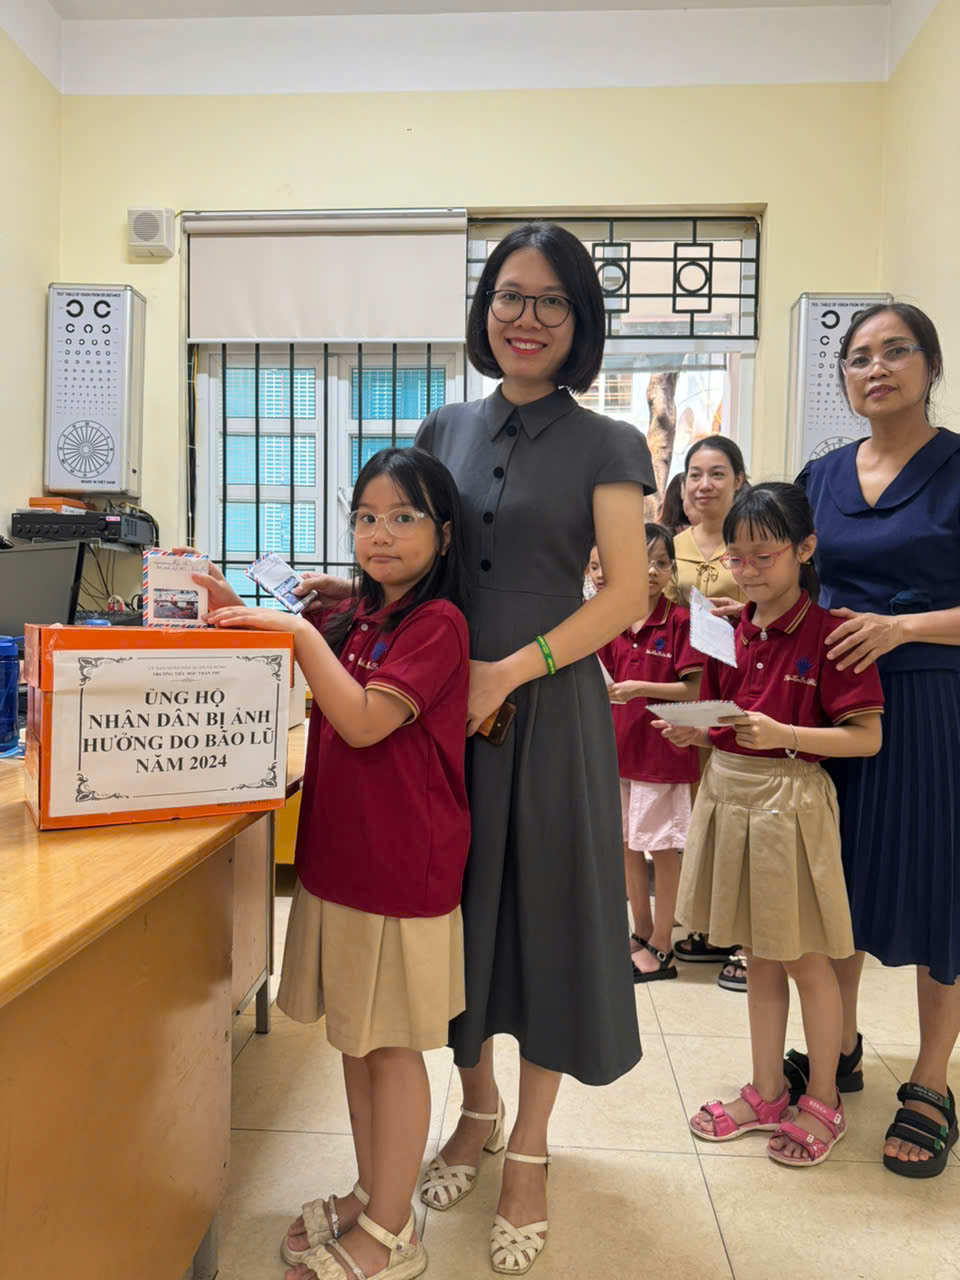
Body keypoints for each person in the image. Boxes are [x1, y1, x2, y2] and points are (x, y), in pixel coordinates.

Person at [300, 221, 653, 1274]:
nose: (526, 318)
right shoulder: (445, 424)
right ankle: (476, 1107)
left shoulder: (609, 443)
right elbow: (426, 553)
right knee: (456, 915)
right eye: (509, 295)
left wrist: (512, 668)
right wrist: (355, 590)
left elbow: (627, 596)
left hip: (546, 712)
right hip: (436, 712)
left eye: (550, 301)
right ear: (483, 307)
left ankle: (529, 1147)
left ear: (579, 320)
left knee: (545, 918)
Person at [205, 447, 471, 1280]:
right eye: (366, 517)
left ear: (444, 534)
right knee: (356, 1043)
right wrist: (229, 603)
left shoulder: (437, 625)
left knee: (389, 1050)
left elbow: (359, 721)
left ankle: (394, 1233)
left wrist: (294, 630)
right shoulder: (362, 615)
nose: (380, 533)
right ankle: (371, 1191)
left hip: (399, 873)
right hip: (343, 860)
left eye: (403, 517)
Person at [656, 482, 884, 1167]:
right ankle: (766, 1091)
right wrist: (695, 731)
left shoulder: (832, 632)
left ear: (804, 548)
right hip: (729, 792)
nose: (749, 571)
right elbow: (724, 715)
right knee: (757, 953)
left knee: (805, 958)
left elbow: (866, 737)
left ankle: (824, 1098)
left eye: (764, 556)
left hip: (791, 798)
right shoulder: (729, 630)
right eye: (737, 557)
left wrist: (786, 733)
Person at [792, 302, 960, 1178]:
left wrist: (902, 629)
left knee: (939, 891)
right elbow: (792, 583)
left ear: (930, 366)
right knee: (835, 883)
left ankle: (931, 1077)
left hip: (930, 704)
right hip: (829, 706)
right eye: (859, 357)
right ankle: (843, 1045)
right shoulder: (819, 476)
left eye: (897, 351)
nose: (877, 368)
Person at [599, 524, 703, 982]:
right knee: (626, 846)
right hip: (617, 752)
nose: (652, 571)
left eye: (662, 562)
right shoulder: (611, 620)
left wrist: (639, 687)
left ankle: (663, 944)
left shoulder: (680, 621)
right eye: (643, 561)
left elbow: (693, 688)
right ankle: (640, 932)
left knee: (661, 850)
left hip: (662, 756)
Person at [664, 434, 751, 981]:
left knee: (739, 811)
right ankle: (709, 923)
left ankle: (745, 935)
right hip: (685, 696)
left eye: (717, 473)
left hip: (744, 690)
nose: (704, 485)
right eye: (695, 473)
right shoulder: (670, 547)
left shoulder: (755, 542)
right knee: (697, 811)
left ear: (739, 481)